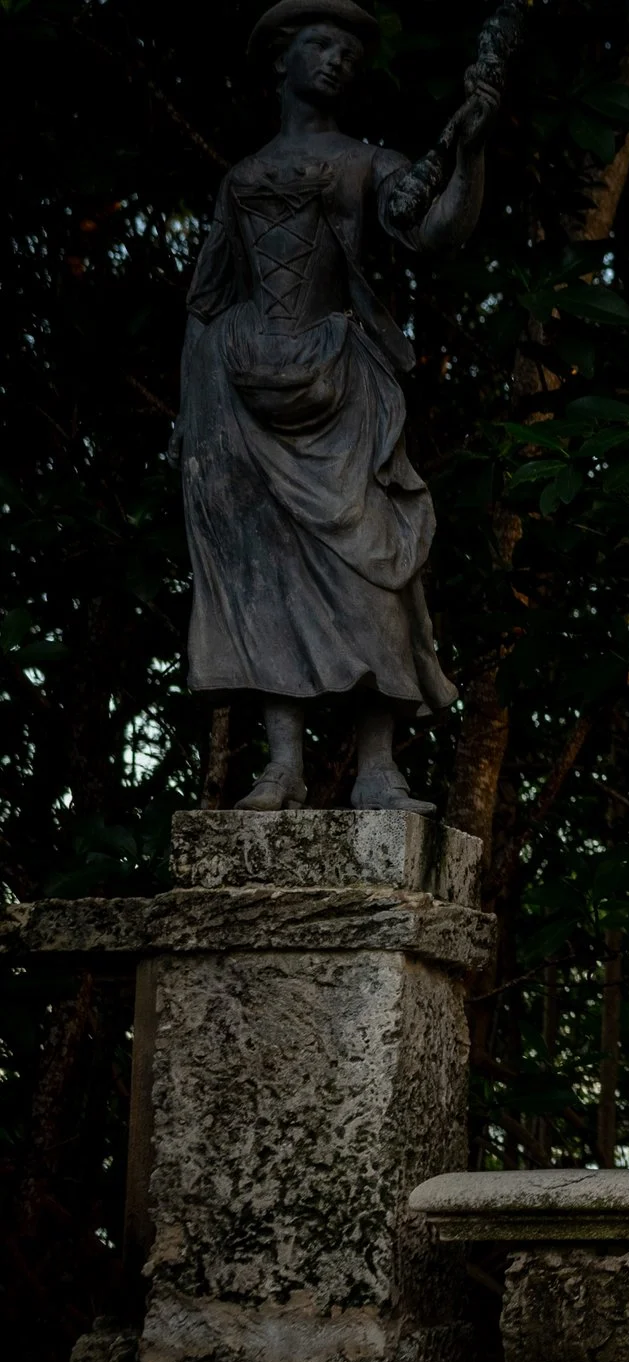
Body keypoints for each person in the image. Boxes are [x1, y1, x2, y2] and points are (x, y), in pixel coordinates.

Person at [182, 0, 497, 812]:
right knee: (266, 571)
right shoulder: (241, 178)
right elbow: (209, 298)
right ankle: (281, 762)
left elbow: (432, 231)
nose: (337, 61)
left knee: (373, 566)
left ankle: (378, 767)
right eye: (321, 44)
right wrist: (202, 435)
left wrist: (468, 155)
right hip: (244, 391)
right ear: (281, 58)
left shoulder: (370, 163)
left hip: (343, 390)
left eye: (351, 52)